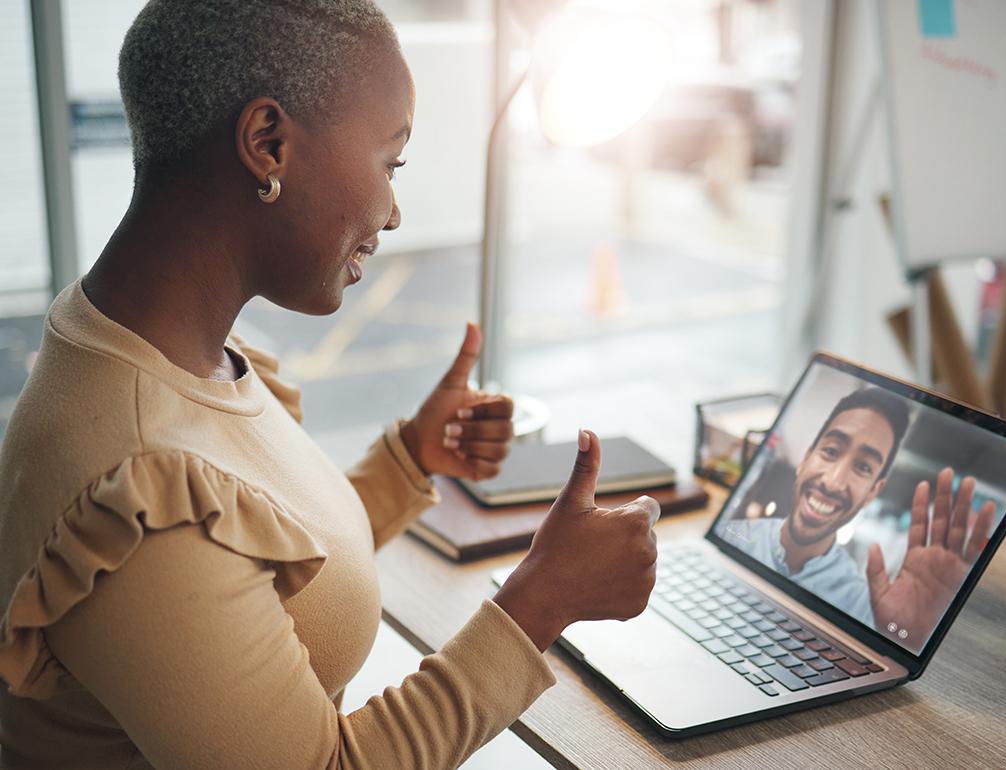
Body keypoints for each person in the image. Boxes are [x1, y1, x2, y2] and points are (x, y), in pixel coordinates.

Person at [0, 2, 660, 768]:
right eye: (391, 162)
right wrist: (541, 603)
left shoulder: (145, 346)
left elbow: (255, 562)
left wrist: (412, 459)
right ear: (267, 144)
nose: (395, 210)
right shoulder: (139, 481)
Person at [725, 387, 996, 649]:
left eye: (863, 467)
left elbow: (890, 648)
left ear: (872, 492)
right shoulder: (733, 535)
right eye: (830, 451)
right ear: (806, 458)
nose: (833, 482)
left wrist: (901, 640)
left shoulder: (863, 607)